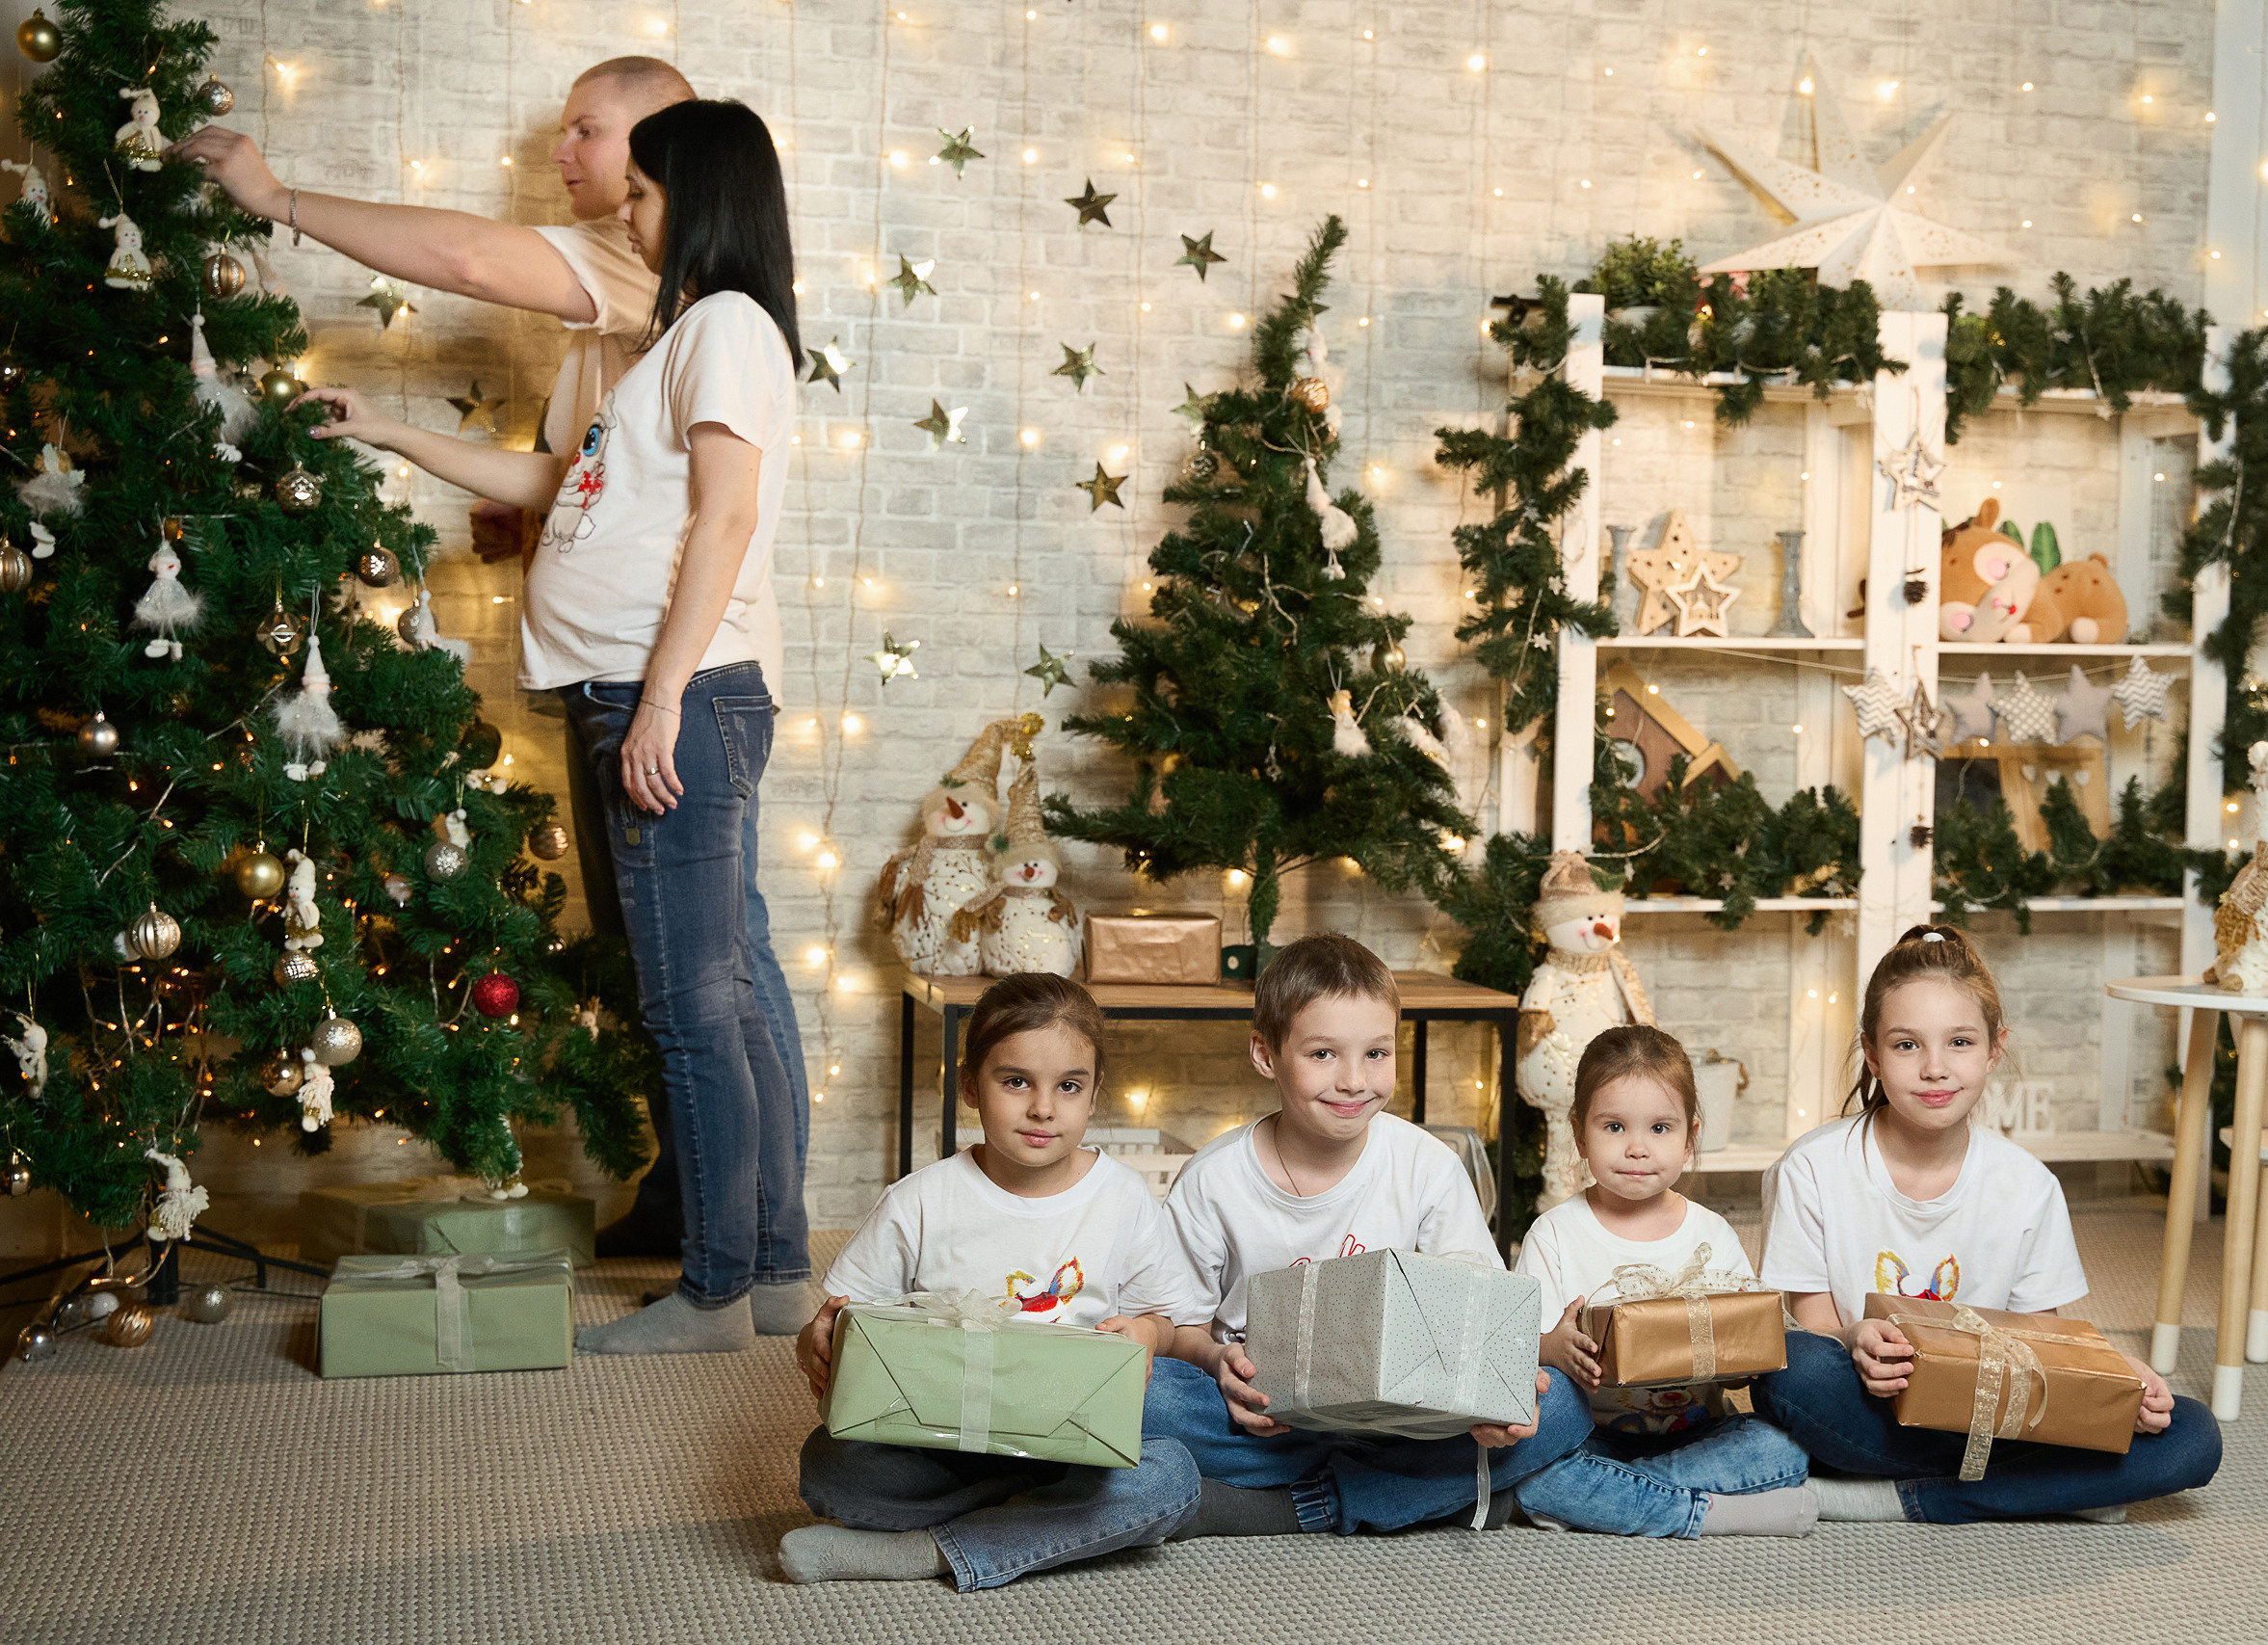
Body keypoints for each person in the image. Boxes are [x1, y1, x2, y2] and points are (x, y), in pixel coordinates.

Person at [170, 58, 804, 1263]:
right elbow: (573, 481)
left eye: (599, 138)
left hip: (667, 685)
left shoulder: (700, 309)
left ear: (672, 167)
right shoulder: (650, 323)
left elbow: (716, 512)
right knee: (691, 984)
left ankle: (748, 1260)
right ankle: (736, 1239)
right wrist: (396, 431)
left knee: (708, 988)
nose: (585, 169)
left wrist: (281, 198)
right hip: (615, 681)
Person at [1751, 924, 2224, 1522]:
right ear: (1870, 1051)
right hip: (1872, 1404)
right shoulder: (1812, 1168)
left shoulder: (2028, 1186)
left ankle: (1900, 1497)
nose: (1934, 1068)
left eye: (1960, 1043)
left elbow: (2039, 1340)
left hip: (1992, 1416)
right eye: (1905, 1045)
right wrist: (1854, 1340)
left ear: (1995, 1048)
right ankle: (2051, 1489)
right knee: (1788, 1370)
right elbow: (1815, 1321)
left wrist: (2112, 1380)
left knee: (2193, 1434)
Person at [1145, 934, 1593, 1537]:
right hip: (1263, 1412)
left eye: (1377, 1054)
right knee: (1147, 1397)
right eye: (1324, 1054)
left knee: (1563, 1401)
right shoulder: (1214, 1179)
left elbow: (1475, 1309)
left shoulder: (1426, 1165)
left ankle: (1295, 1505)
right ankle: (1403, 1493)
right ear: (1266, 1054)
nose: (1355, 1080)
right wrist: (1218, 1361)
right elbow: (1178, 1330)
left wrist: (1491, 1398)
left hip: (1398, 1412)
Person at [786, 974, 1198, 1588]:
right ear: (971, 1085)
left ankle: (933, 1549)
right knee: (827, 1468)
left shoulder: (1123, 1198)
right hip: (946, 1440)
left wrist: (1146, 1331)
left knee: (1172, 1476)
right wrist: (814, 1343)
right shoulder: (919, 1201)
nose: (1042, 1108)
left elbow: (1168, 1324)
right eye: (1015, 1082)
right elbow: (840, 1321)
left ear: (1094, 1094)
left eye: (1068, 1086)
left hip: (1076, 1440)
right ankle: (1037, 1515)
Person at [1509, 1025, 1814, 1539]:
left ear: (1691, 1136)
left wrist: (1739, 1351)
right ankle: (1707, 1513)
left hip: (1696, 1435)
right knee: (1534, 1474)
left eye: (1659, 1129)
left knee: (1784, 1451)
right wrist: (1553, 1348)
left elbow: (1744, 1370)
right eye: (1613, 1128)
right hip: (1593, 1435)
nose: (1636, 1149)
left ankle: (1618, 1496)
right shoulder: (1556, 1232)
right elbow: (1518, 1351)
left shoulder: (1713, 1233)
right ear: (1579, 1133)